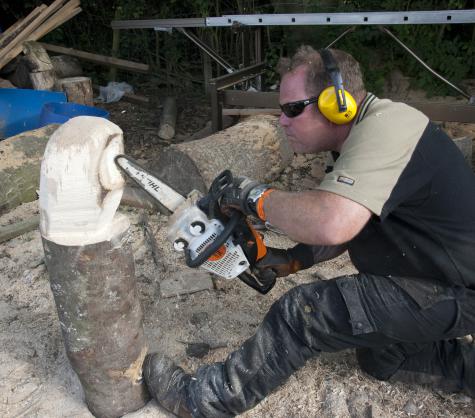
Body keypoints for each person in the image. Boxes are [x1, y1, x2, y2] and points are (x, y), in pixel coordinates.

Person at [143, 46, 475, 417]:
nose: (282, 121)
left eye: (292, 109)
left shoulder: (388, 128)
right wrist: (291, 260)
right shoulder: (367, 134)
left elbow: (333, 221)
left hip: (459, 291)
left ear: (337, 103)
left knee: (305, 313)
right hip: (439, 278)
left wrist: (253, 196)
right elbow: (356, 220)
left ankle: (202, 401)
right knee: (380, 357)